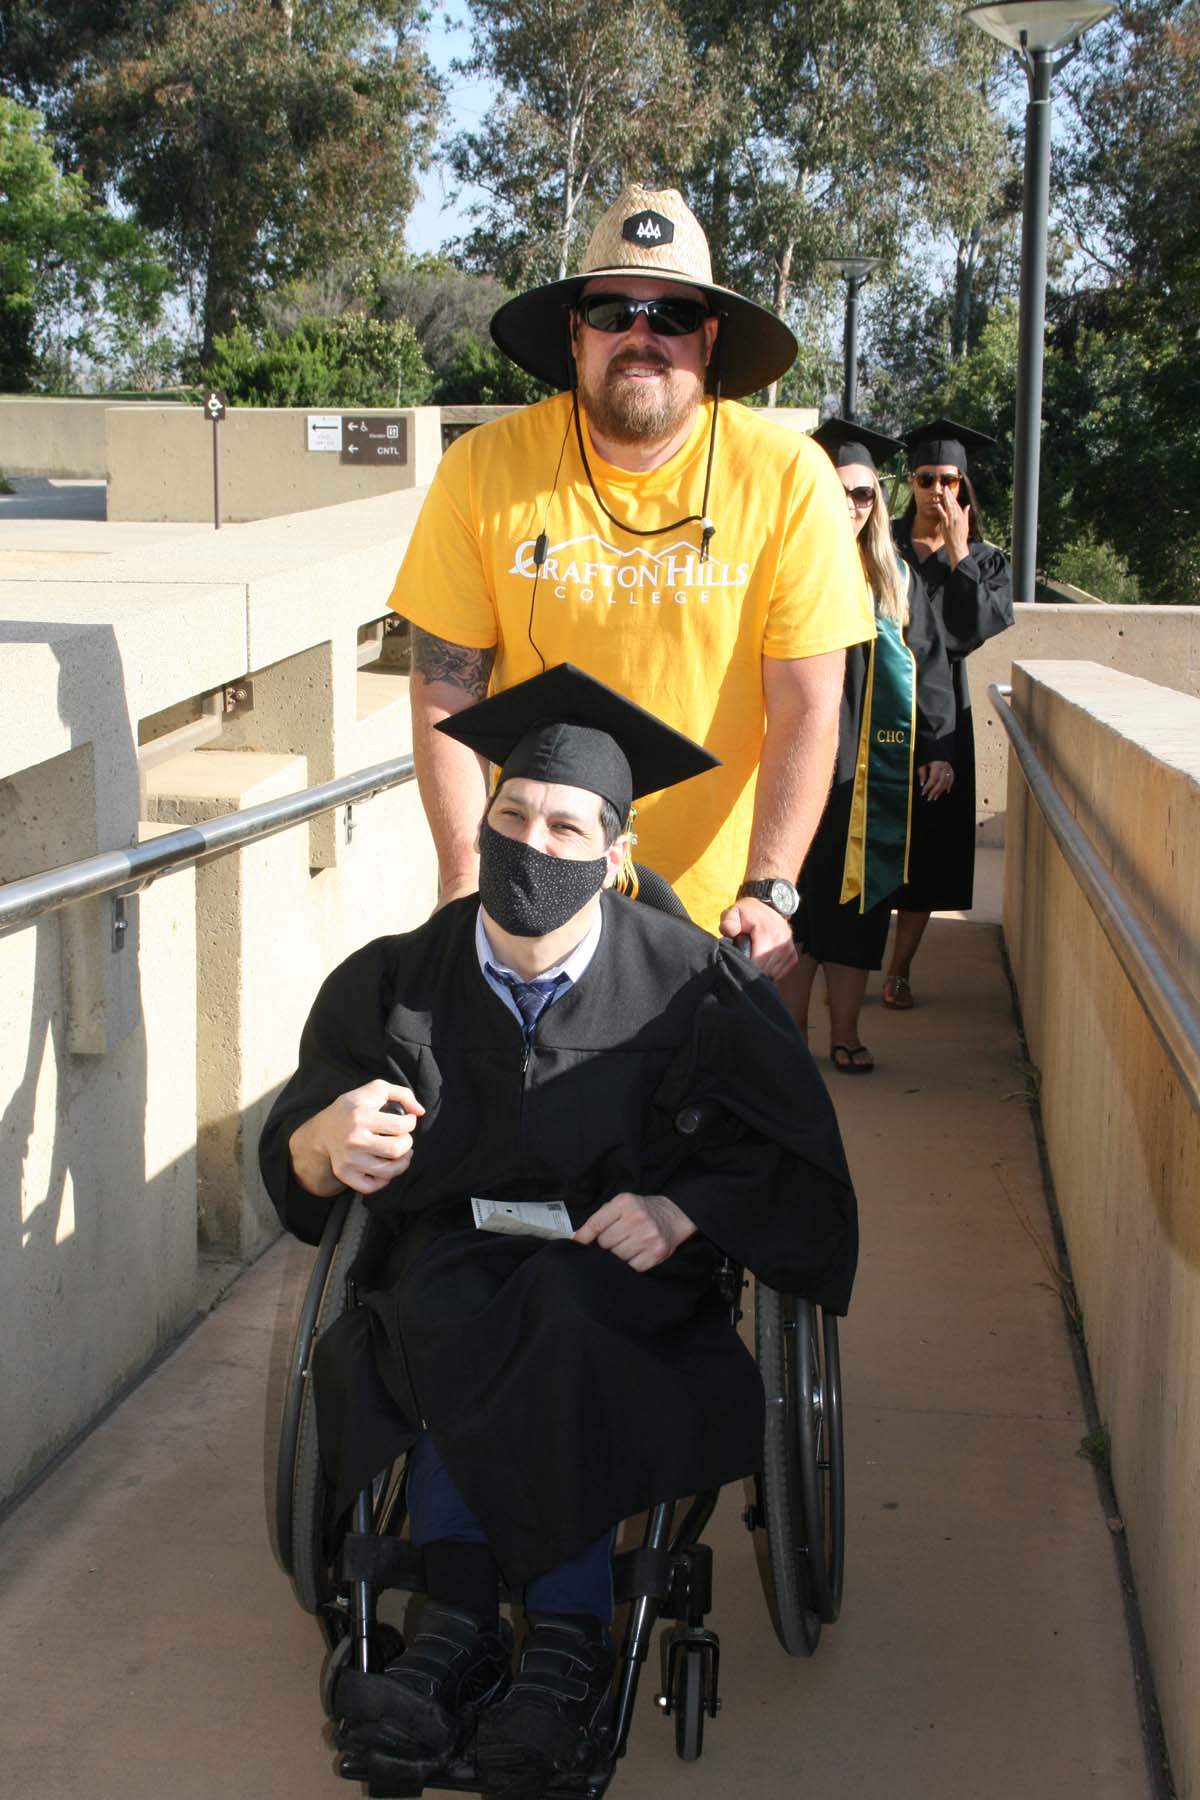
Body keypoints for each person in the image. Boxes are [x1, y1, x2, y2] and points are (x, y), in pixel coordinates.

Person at [260, 665, 857, 1800]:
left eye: (568, 825)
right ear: (484, 823)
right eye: (514, 815)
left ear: (616, 853)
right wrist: (324, 1139)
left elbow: (799, 1165)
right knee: (440, 1308)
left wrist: (688, 1208)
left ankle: (558, 1636)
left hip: (626, 1286)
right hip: (450, 1266)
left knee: (561, 1312)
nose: (535, 843)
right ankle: (460, 1631)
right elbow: (300, 1156)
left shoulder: (699, 991)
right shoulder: (398, 986)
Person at [386, 182, 874, 974]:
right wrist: (465, 879)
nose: (641, 335)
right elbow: (446, 690)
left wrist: (771, 887)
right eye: (615, 313)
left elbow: (807, 705)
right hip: (535, 910)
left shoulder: (791, 480)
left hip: (715, 927)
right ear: (576, 332)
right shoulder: (482, 471)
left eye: (672, 315)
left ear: (710, 338)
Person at [778, 420, 956, 1072]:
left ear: (876, 502)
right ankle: (789, 1036)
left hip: (865, 775)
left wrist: (936, 744)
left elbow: (931, 668)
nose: (850, 506)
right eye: (836, 492)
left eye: (861, 495)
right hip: (795, 769)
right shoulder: (782, 568)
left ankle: (846, 1034)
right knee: (794, 911)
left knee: (856, 909)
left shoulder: (895, 581)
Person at [884, 418, 1013, 1009]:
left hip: (943, 719)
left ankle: (898, 969)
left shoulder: (984, 560)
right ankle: (846, 961)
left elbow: (966, 633)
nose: (938, 490)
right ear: (911, 481)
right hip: (876, 707)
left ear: (963, 485)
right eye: (927, 478)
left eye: (949, 479)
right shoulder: (879, 545)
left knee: (928, 854)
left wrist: (959, 553)